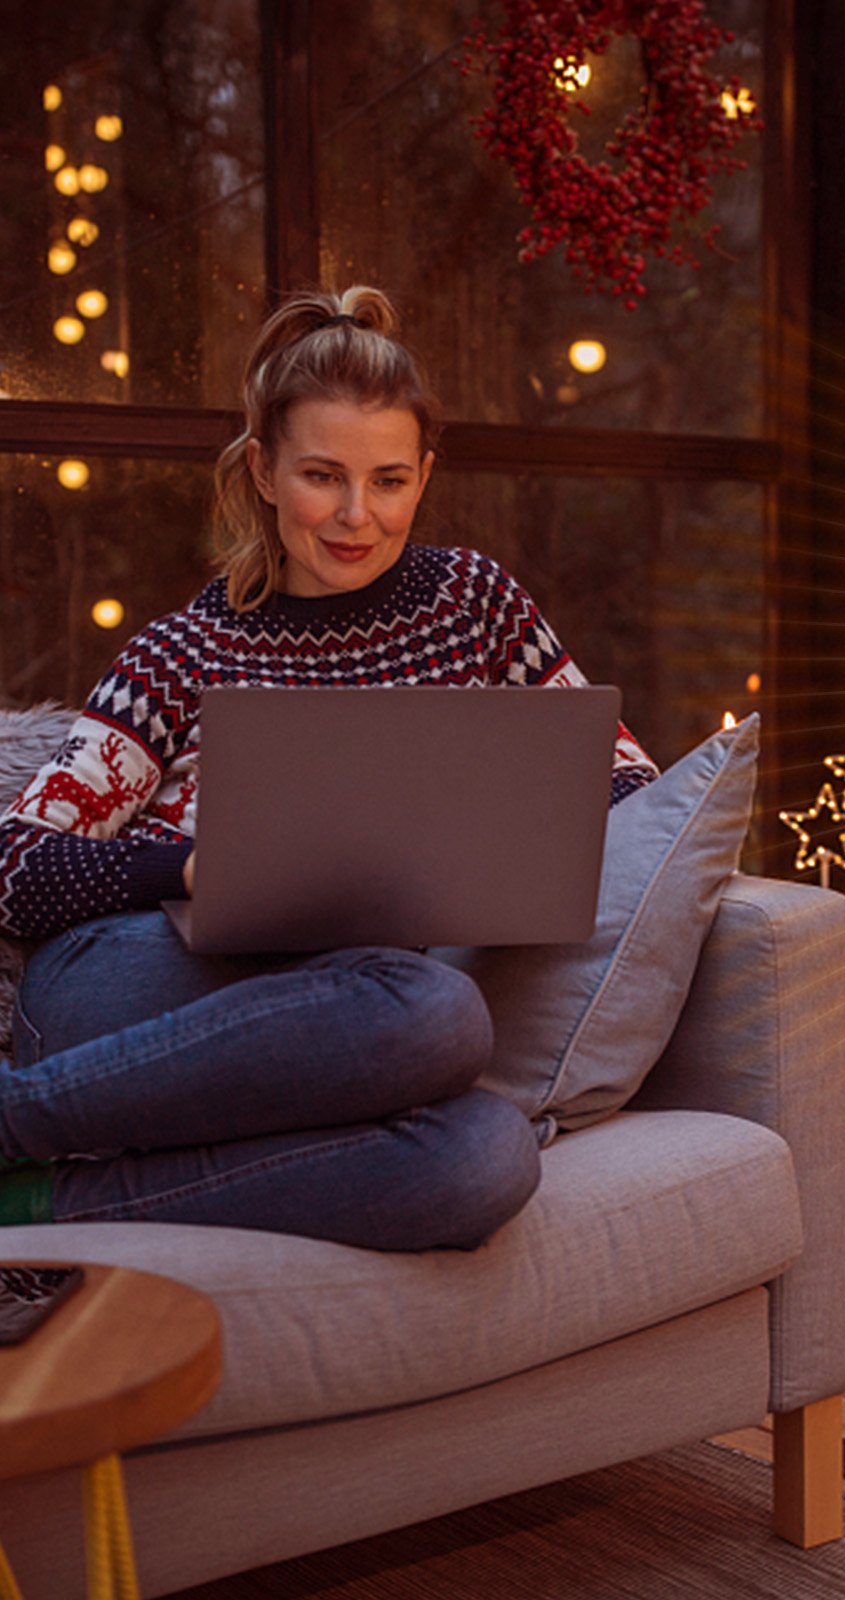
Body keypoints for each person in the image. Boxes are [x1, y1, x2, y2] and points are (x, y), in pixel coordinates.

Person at [0, 286, 659, 1246]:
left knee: (485, 1156)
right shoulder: (186, 651)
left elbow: (629, 788)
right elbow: (14, 865)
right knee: (432, 1014)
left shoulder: (475, 606)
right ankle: (15, 1122)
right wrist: (194, 869)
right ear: (264, 472)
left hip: (346, 1016)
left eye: (389, 480)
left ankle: (38, 1198)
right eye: (323, 476)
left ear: (425, 474)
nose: (357, 515)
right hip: (135, 979)